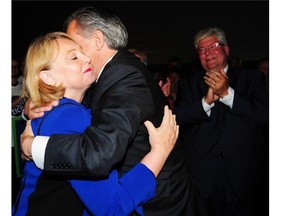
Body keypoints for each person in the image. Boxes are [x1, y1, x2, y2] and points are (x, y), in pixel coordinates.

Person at [21, 6, 193, 215]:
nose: (83, 57)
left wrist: (32, 146)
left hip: (157, 201)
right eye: (73, 56)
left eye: (77, 48)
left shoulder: (123, 74)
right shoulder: (97, 84)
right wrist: (33, 109)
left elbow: (97, 154)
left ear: (98, 40)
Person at [174, 26, 269, 216]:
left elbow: (264, 116)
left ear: (226, 50)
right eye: (201, 50)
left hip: (243, 177)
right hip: (202, 178)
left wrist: (227, 94)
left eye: (213, 46)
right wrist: (205, 103)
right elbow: (179, 119)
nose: (207, 53)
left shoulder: (250, 78)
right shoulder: (189, 84)